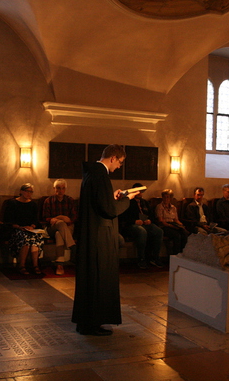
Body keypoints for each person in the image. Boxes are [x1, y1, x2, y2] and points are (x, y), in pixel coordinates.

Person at [72, 144, 138, 336]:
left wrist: (113, 196)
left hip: (92, 234)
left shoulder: (92, 173)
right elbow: (108, 210)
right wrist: (127, 199)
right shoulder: (100, 175)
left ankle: (86, 322)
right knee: (98, 278)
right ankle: (92, 324)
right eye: (120, 162)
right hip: (99, 237)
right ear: (113, 158)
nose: (119, 166)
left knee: (90, 279)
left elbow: (100, 202)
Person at [4, 183, 45, 275]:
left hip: (30, 229)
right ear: (21, 191)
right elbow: (8, 220)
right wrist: (19, 227)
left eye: (31, 192)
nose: (29, 193)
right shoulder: (13, 203)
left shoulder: (33, 204)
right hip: (17, 229)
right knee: (25, 238)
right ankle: (21, 265)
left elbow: (35, 220)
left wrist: (32, 226)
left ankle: (35, 265)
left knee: (35, 238)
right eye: (27, 191)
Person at [120, 182, 164, 268]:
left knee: (159, 231)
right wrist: (134, 221)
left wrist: (149, 220)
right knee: (141, 231)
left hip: (145, 224)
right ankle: (141, 259)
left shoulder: (145, 202)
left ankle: (155, 257)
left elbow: (151, 215)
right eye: (137, 191)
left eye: (140, 191)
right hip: (132, 225)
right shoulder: (128, 202)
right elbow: (123, 218)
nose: (139, 193)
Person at [42, 179, 78, 275]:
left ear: (65, 189)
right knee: (60, 223)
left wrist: (59, 218)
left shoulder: (70, 200)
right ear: (54, 188)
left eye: (63, 188)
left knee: (59, 234)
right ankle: (72, 246)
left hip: (68, 227)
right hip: (52, 227)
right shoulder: (48, 201)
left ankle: (59, 265)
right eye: (58, 188)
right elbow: (46, 217)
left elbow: (73, 218)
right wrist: (61, 218)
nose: (60, 190)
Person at [155, 189, 189, 254]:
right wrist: (170, 226)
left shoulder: (173, 208)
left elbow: (176, 219)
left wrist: (181, 225)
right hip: (164, 226)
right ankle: (175, 254)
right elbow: (160, 220)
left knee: (184, 233)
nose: (166, 199)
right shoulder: (159, 207)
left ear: (170, 198)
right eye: (164, 197)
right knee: (177, 235)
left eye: (168, 197)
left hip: (173, 224)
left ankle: (182, 253)